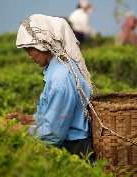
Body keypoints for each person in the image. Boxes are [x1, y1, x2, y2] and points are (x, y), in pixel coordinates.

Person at [5, 14, 94, 158]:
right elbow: (54, 115)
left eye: (29, 49)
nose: (29, 56)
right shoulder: (61, 68)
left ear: (44, 44)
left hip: (73, 149)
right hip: (72, 143)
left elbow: (53, 135)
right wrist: (27, 119)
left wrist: (19, 131)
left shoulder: (61, 79)